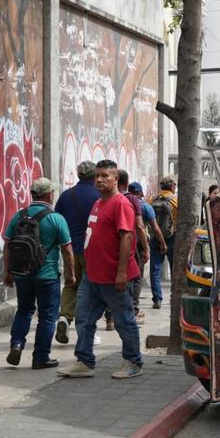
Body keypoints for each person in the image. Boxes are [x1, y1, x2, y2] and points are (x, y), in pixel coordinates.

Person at [58, 159, 144, 380]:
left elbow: (127, 237)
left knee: (124, 321)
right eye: (97, 175)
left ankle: (133, 361)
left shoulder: (121, 204)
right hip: (92, 275)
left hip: (114, 277)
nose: (99, 179)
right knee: (83, 319)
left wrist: (121, 273)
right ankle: (84, 361)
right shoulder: (98, 202)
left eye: (105, 176)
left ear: (116, 179)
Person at [2, 178, 75, 370]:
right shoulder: (56, 218)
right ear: (48, 194)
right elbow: (67, 250)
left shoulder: (19, 216)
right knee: (48, 317)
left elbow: (7, 246)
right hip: (47, 276)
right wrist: (71, 275)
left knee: (24, 310)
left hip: (22, 274)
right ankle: (41, 357)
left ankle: (16, 344)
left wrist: (7, 272)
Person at [53, 161, 100, 345]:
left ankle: (64, 318)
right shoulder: (99, 196)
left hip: (70, 250)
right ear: (94, 175)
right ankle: (87, 330)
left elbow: (57, 219)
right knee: (90, 290)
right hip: (92, 250)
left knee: (71, 284)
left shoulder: (66, 195)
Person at [108, 170, 150, 327]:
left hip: (109, 247)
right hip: (130, 245)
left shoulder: (106, 198)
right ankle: (133, 311)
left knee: (110, 280)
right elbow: (139, 226)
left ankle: (110, 316)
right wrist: (146, 248)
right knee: (135, 277)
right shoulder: (132, 199)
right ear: (126, 183)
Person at [129, 181, 167, 317]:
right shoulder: (146, 206)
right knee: (137, 276)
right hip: (139, 243)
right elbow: (155, 228)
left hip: (122, 241)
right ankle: (134, 308)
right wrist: (162, 243)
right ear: (140, 193)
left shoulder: (122, 202)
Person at [149, 175, 178, 309]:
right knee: (174, 269)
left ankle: (157, 299)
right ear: (172, 186)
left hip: (155, 237)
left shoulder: (152, 201)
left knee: (155, 270)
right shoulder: (176, 201)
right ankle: (174, 298)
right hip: (171, 237)